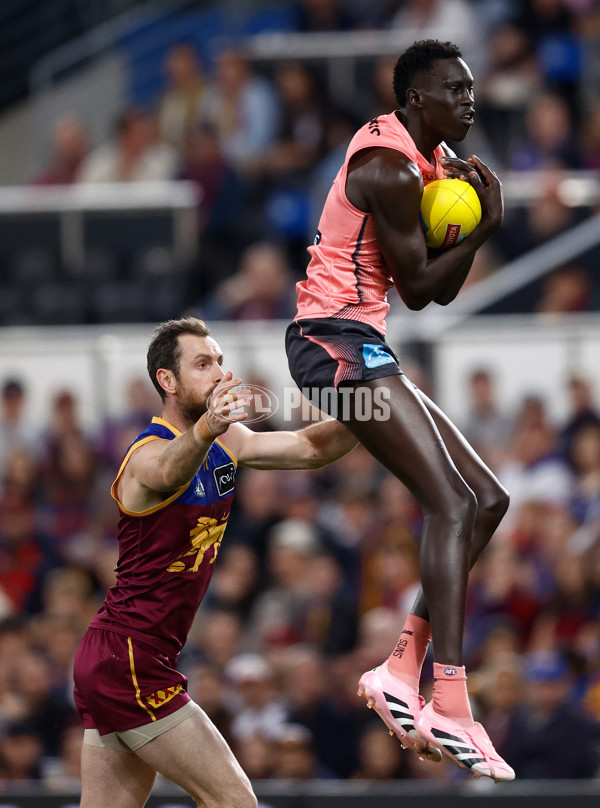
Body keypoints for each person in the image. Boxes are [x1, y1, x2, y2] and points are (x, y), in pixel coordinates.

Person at [285, 39, 513, 781]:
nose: (471, 99)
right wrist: (482, 227)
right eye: (457, 88)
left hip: (363, 343)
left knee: (486, 498)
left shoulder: (430, 165)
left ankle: (399, 669)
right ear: (418, 100)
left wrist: (470, 223)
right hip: (332, 344)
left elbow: (435, 291)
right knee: (448, 502)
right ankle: (448, 697)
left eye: (473, 88)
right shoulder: (387, 167)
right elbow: (418, 289)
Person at [72, 316, 357, 808]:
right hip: (130, 658)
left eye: (220, 362)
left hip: (120, 659)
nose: (220, 373)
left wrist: (370, 409)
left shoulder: (226, 441)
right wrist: (208, 426)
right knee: (235, 802)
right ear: (168, 380)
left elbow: (311, 448)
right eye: (203, 364)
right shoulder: (146, 453)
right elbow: (167, 470)